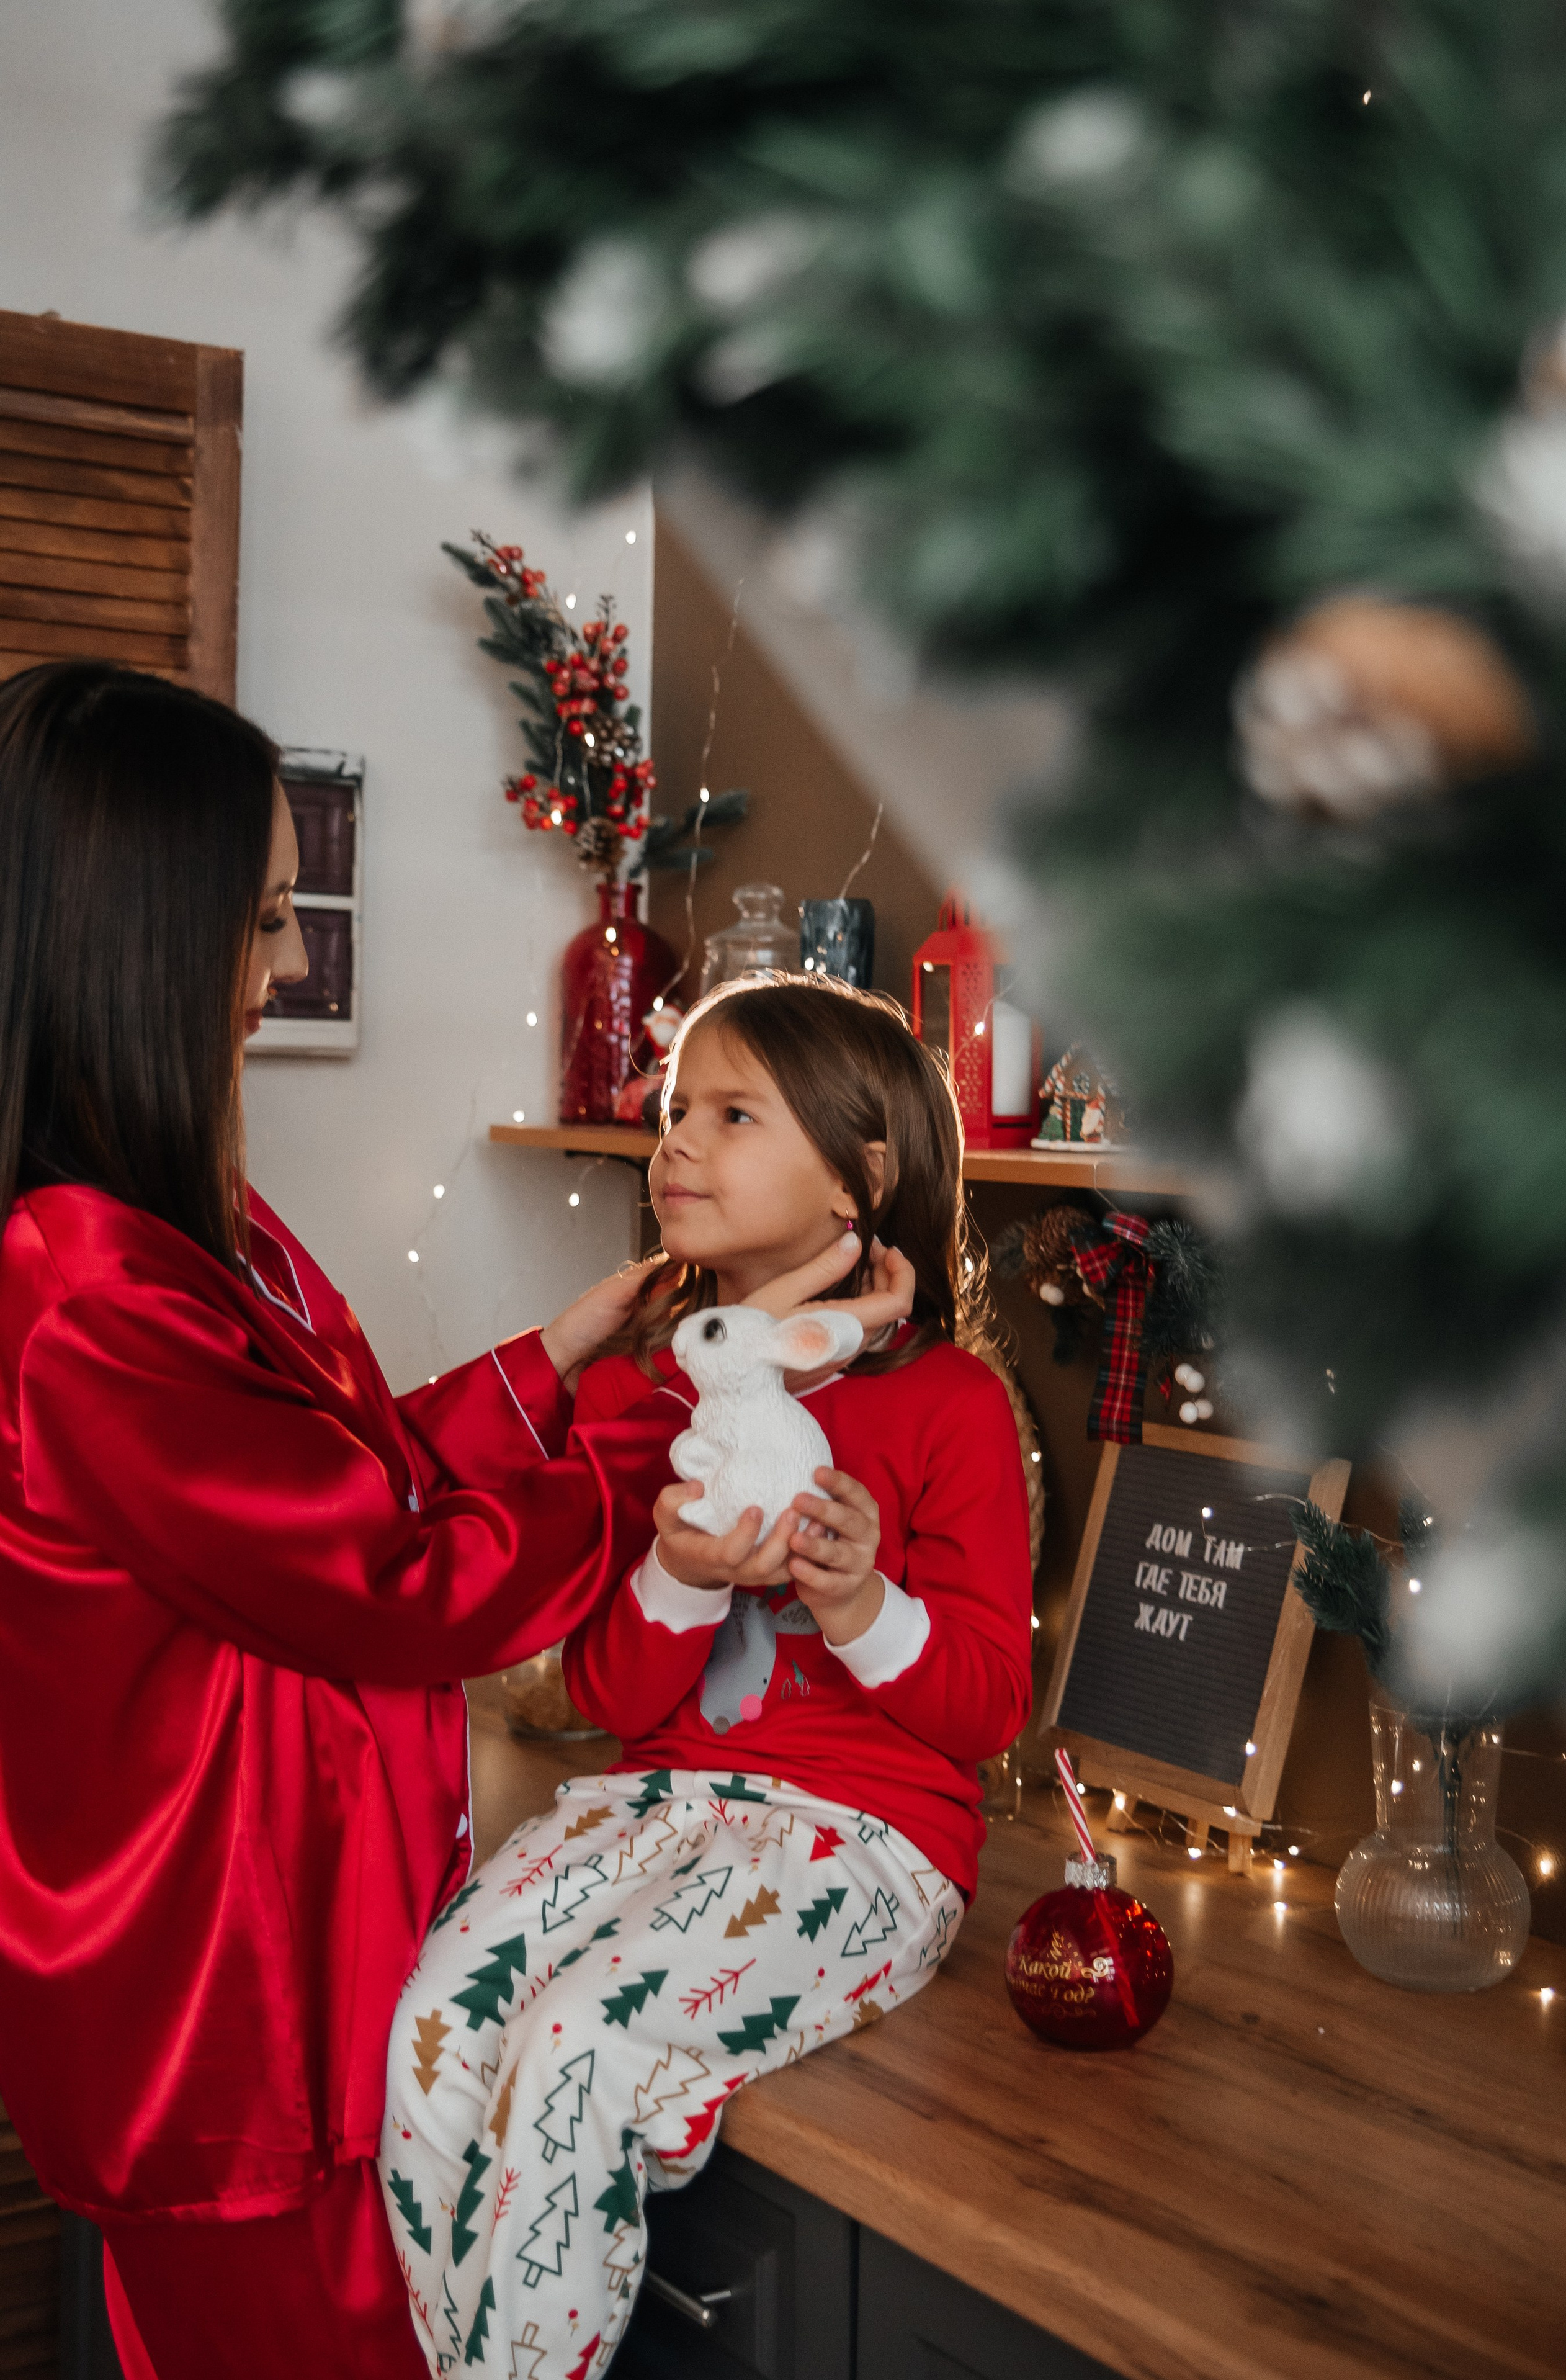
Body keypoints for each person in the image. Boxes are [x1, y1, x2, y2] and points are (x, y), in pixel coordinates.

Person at [0, 664, 907, 2380]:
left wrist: (570, 1352)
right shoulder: (86, 1295)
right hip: (231, 2016)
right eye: (264, 915)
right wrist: (676, 1441)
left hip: (319, 1963)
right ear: (139, 934)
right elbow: (388, 1573)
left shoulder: (201, 1232)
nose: (285, 961)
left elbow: (348, 1471)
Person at [383, 974, 1032, 2378]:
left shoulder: (949, 1404)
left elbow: (984, 1704)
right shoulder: (643, 1394)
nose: (674, 1138)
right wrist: (677, 1569)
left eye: (729, 1113)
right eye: (676, 1108)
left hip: (864, 1845)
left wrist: (860, 1603)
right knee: (434, 2008)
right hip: (656, 1812)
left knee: (571, 2043)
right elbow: (615, 1698)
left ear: (863, 1175)